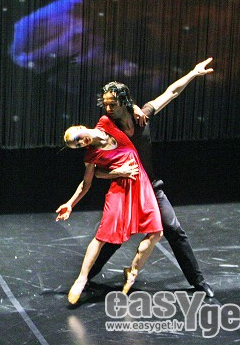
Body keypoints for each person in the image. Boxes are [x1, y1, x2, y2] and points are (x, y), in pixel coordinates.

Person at [87, 58, 215, 297]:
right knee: (114, 239)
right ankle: (86, 278)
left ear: (125, 102)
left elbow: (171, 93)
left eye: (113, 104)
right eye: (105, 104)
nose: (108, 108)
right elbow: (94, 169)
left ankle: (198, 282)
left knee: (174, 229)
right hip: (127, 190)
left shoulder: (142, 116)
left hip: (152, 188)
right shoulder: (108, 130)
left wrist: (193, 73)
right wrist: (117, 172)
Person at [56, 115, 163, 305]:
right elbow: (86, 183)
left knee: (156, 232)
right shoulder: (91, 155)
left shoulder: (106, 122)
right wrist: (70, 203)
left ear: (81, 126)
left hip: (141, 186)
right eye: (77, 145)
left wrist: (135, 109)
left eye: (78, 139)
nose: (81, 143)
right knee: (102, 237)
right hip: (119, 190)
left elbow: (126, 112)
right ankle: (81, 279)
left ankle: (133, 270)